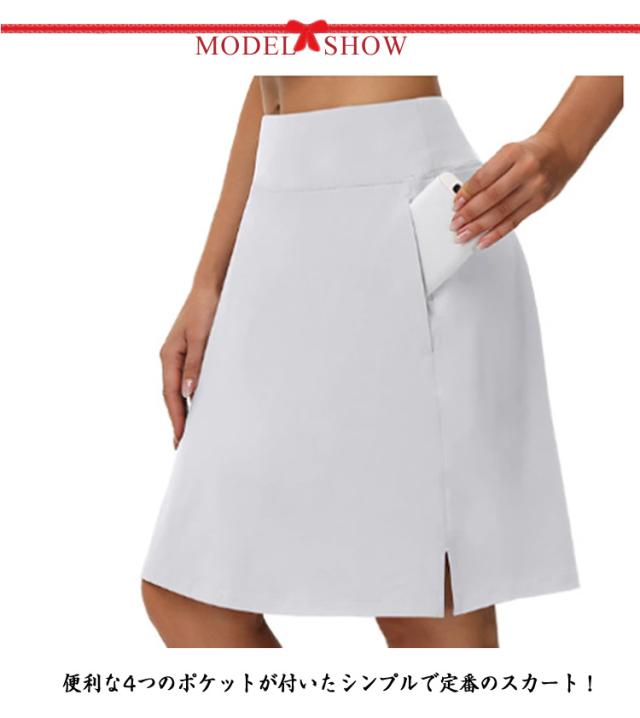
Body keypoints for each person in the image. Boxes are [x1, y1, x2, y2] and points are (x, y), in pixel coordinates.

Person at [140, 76, 623, 648]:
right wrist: (209, 281)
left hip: (404, 209)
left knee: (420, 602)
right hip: (278, 214)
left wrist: (562, 145)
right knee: (192, 592)